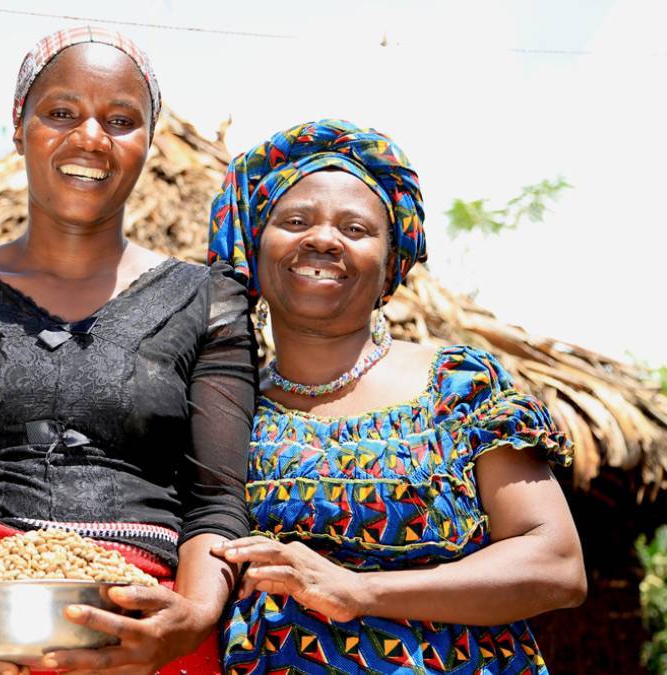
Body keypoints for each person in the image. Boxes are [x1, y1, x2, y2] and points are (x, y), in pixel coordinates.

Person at [0, 27, 257, 675]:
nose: (92, 138)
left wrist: (193, 615)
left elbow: (216, 500)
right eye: (62, 113)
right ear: (19, 126)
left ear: (149, 142)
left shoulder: (209, 302)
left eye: (121, 119)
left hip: (146, 627)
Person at [206, 119, 587, 674]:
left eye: (355, 228)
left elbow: (556, 564)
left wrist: (360, 591)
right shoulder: (227, 407)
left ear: (389, 264)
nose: (323, 239)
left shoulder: (456, 388)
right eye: (294, 221)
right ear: (254, 249)